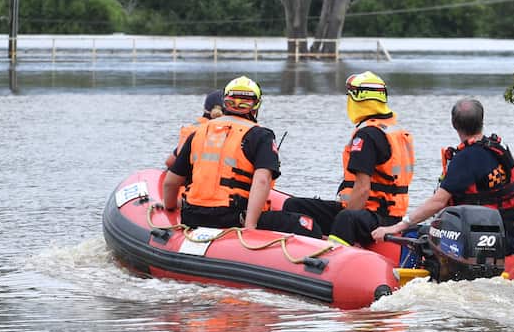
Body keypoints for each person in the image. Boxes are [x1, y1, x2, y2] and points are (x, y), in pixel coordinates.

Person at [161, 76, 320, 236]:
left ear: (225, 102)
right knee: (307, 225)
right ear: (256, 105)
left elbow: (170, 182)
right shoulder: (261, 135)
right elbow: (262, 181)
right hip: (233, 218)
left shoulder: (198, 132)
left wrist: (170, 207)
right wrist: (250, 227)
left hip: (193, 217)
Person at [372, 97, 514, 255]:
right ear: (481, 121)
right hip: (507, 239)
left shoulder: (465, 158)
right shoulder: (499, 150)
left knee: (411, 234)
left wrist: (398, 226)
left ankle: (406, 277)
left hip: (475, 243)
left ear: (454, 124)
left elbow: (438, 201)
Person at [283, 71, 415, 246]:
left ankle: (327, 256)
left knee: (346, 218)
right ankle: (303, 249)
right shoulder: (394, 131)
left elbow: (362, 189)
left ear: (358, 100)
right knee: (294, 206)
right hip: (388, 214)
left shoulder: (367, 135)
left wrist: (343, 223)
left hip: (375, 217)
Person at [165, 90, 225, 169]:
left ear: (205, 108)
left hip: (186, 177)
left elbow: (169, 162)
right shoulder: (230, 131)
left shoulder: (192, 130)